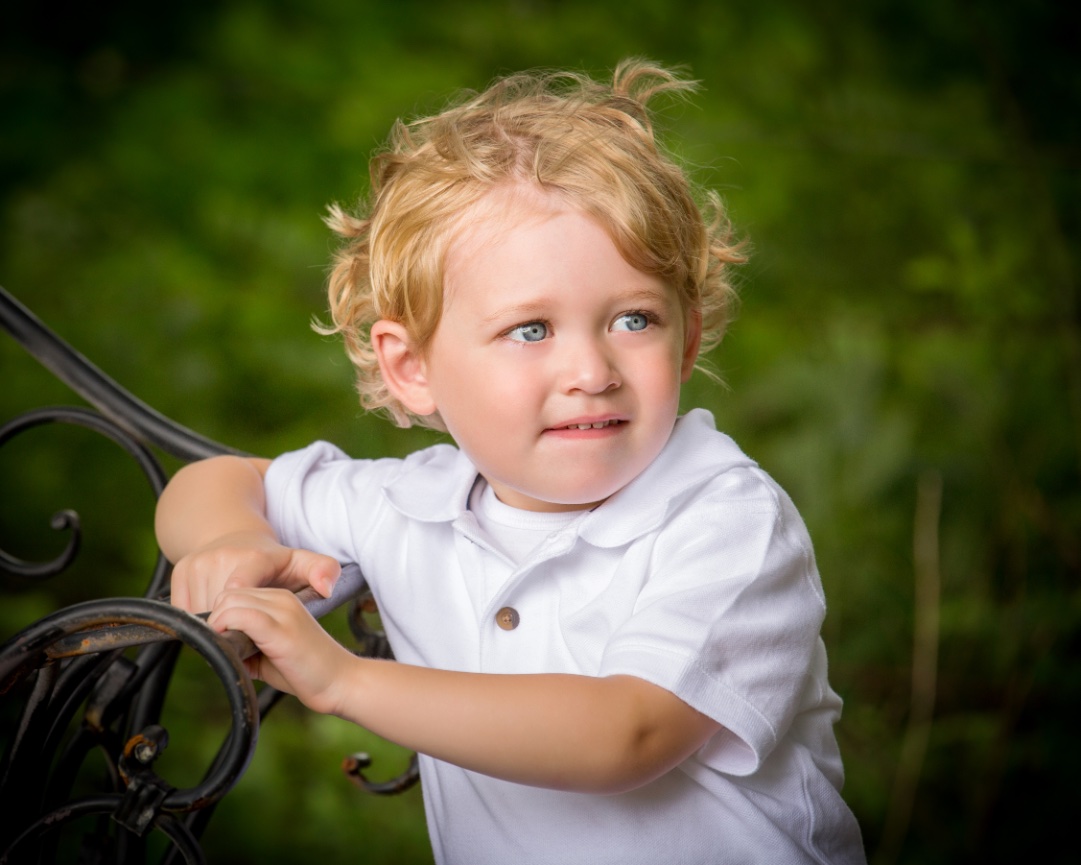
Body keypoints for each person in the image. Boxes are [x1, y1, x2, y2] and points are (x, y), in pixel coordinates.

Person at [155, 59, 867, 864]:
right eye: (531, 329)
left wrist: (342, 679)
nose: (591, 370)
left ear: (688, 335)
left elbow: (624, 733)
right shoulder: (408, 503)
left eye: (634, 319)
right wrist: (220, 541)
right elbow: (217, 480)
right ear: (411, 367)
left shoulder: (723, 518)